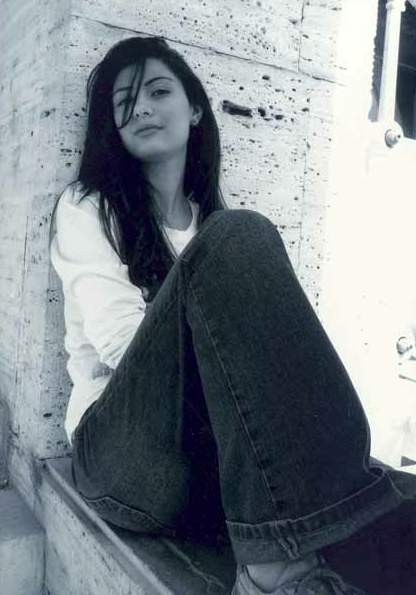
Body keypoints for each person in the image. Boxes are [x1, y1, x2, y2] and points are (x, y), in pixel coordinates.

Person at [49, 36, 416, 594]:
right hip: (121, 460)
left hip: (210, 471)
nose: (141, 108)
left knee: (393, 503)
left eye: (158, 91)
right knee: (241, 235)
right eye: (124, 102)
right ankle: (272, 575)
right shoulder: (89, 206)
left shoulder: (210, 222)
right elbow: (121, 346)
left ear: (195, 109)